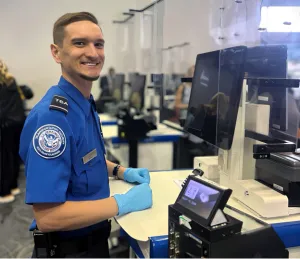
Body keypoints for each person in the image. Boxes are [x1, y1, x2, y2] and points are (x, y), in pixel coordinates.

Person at [19, 12, 152, 258]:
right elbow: (48, 217)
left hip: (93, 239)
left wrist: (120, 171)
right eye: (80, 43)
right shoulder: (52, 119)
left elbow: (84, 159)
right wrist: (122, 203)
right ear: (56, 52)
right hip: (70, 249)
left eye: (98, 44)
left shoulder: (82, 102)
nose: (93, 53)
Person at [0, 59, 26, 203]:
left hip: (5, 125)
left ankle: (4, 192)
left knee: (4, 158)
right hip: (18, 123)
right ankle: (13, 186)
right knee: (13, 155)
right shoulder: (12, 82)